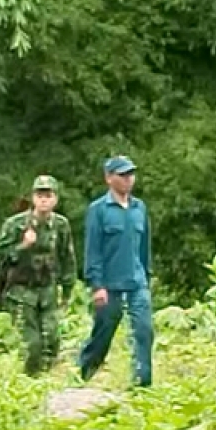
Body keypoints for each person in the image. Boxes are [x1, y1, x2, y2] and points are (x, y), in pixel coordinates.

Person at [78, 156, 155, 387]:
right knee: (103, 334)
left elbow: (144, 248)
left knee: (144, 331)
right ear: (109, 178)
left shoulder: (139, 208)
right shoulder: (99, 210)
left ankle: (143, 385)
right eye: (122, 175)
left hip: (137, 282)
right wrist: (97, 285)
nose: (128, 179)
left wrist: (147, 277)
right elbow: (93, 249)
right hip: (109, 285)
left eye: (130, 174)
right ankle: (83, 374)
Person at [0, 175, 78, 376]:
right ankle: (30, 382)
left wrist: (67, 291)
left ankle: (43, 380)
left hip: (47, 290)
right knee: (33, 345)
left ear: (55, 199)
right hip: (21, 291)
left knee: (52, 340)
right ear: (33, 198)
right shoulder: (16, 224)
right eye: (40, 195)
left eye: (48, 195)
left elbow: (67, 258)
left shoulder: (60, 225)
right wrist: (23, 246)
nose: (44, 200)